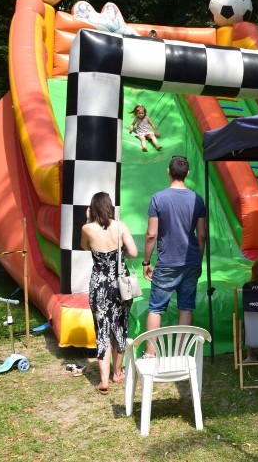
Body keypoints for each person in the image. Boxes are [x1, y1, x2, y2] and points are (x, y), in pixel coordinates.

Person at [142, 155, 207, 337]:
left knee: (156, 308)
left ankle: (150, 353)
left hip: (167, 261)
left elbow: (151, 234)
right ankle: (181, 352)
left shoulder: (158, 198)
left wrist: (146, 262)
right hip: (191, 261)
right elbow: (201, 235)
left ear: (168, 172)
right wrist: (198, 261)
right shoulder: (197, 199)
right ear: (187, 173)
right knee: (186, 308)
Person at [80, 192, 138, 394]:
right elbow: (133, 252)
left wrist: (88, 219)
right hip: (120, 285)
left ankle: (103, 380)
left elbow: (84, 246)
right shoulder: (121, 226)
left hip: (99, 286)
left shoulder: (87, 229)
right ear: (110, 206)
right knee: (119, 327)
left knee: (102, 330)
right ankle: (117, 372)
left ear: (93, 208)